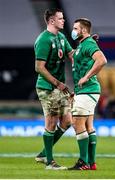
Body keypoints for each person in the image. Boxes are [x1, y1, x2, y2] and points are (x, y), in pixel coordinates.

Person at [34, 8, 73, 170]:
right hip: (47, 87)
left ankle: (43, 153)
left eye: (63, 18)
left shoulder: (62, 37)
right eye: (60, 18)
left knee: (67, 121)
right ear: (51, 21)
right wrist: (58, 83)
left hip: (59, 87)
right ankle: (49, 162)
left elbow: (72, 54)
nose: (63, 21)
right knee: (51, 122)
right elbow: (39, 67)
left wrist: (87, 45)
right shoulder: (44, 39)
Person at [68, 18, 107, 170]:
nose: (73, 31)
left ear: (84, 30)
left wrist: (86, 77)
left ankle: (83, 162)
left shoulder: (88, 43)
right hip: (84, 91)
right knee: (88, 126)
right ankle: (91, 163)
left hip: (88, 89)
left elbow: (102, 60)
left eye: (76, 28)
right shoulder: (84, 44)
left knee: (77, 124)